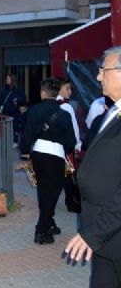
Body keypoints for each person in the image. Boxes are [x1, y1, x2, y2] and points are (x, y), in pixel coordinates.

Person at [65, 47, 121, 288]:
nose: (98, 77)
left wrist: (94, 233)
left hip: (109, 229)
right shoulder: (113, 111)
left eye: (103, 70)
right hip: (106, 239)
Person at [20, 78, 76, 245]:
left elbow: (27, 135)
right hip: (55, 155)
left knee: (43, 191)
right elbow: (71, 143)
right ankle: (41, 230)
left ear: (43, 93)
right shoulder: (64, 114)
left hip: (37, 153)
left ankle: (49, 224)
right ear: (57, 93)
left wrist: (25, 150)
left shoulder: (34, 110)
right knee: (53, 193)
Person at [56, 78, 82, 213]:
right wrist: (77, 145)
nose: (70, 92)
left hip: (51, 147)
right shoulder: (67, 107)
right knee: (69, 175)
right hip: (65, 147)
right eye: (67, 88)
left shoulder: (49, 104)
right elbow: (74, 129)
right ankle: (71, 202)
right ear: (59, 89)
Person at [0, 73, 26, 144]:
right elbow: (1, 99)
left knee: (15, 126)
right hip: (6, 111)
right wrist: (1, 105)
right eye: (6, 78)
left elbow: (23, 98)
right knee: (6, 127)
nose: (7, 80)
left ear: (12, 80)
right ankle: (7, 140)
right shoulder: (4, 89)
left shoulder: (17, 89)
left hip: (15, 112)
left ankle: (15, 141)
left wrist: (17, 99)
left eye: (8, 78)